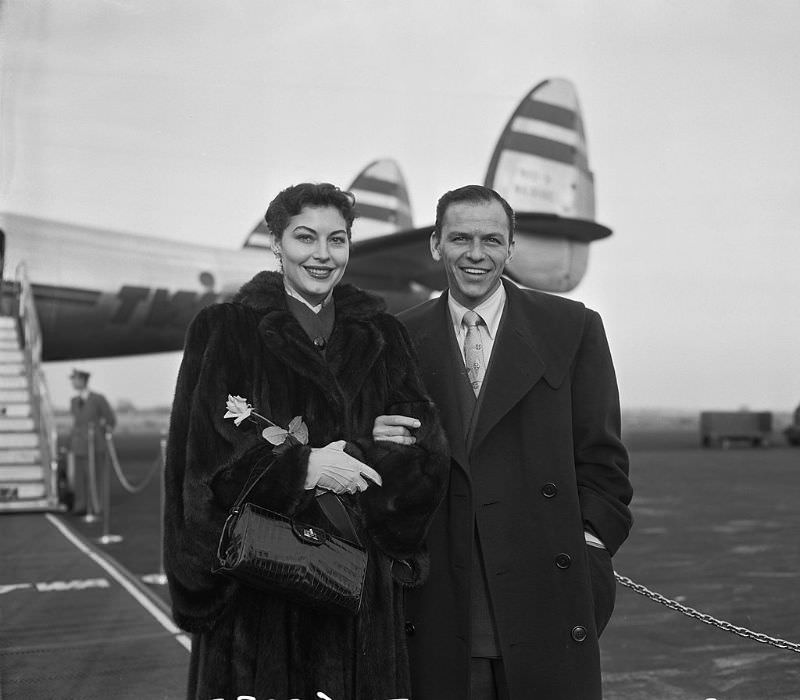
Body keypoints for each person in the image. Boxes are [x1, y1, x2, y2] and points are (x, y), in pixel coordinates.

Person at [163, 182, 449, 699]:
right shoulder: (225, 329)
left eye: (336, 240)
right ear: (275, 244)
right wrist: (306, 467)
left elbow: (426, 462)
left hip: (359, 596)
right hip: (255, 606)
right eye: (305, 237)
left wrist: (354, 451)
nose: (322, 255)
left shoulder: (384, 335)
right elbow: (200, 470)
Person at [373, 185, 633, 699]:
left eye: (492, 239)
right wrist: (374, 442)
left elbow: (604, 463)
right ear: (435, 245)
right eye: (460, 238)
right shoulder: (396, 338)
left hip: (546, 594)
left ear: (511, 247)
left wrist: (590, 552)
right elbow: (388, 477)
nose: (476, 254)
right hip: (441, 601)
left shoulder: (572, 327)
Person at [68, 368, 116, 515]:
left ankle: (97, 505)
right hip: (78, 445)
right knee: (79, 478)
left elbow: (110, 419)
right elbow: (76, 423)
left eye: (75, 379)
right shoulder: (74, 401)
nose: (73, 382)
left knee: (95, 476)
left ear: (83, 380)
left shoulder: (97, 399)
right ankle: (81, 505)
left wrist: (101, 430)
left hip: (94, 444)